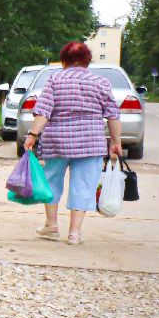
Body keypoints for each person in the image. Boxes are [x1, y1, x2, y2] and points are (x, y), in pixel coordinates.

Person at [23, 42, 122, 246]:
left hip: (57, 141)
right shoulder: (100, 82)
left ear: (64, 60)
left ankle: (51, 226)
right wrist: (115, 142)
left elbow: (43, 110)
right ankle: (74, 233)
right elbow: (113, 115)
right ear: (87, 60)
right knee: (84, 185)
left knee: (51, 181)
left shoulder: (55, 79)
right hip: (90, 142)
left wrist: (33, 134)